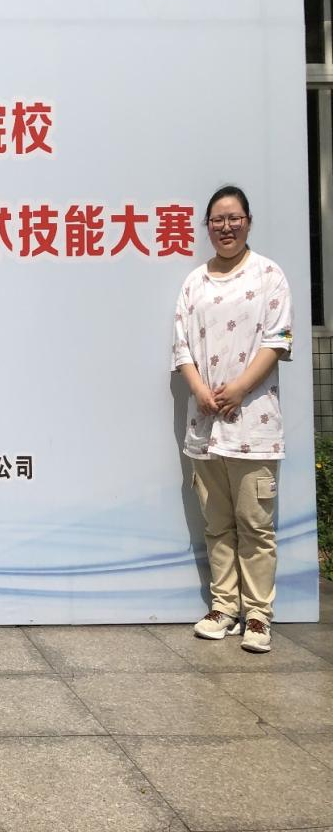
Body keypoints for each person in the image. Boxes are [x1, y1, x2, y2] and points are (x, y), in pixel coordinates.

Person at [172, 185, 293, 654]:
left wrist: (240, 388)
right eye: (217, 220)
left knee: (255, 525)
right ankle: (224, 607)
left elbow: (277, 340)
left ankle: (258, 615)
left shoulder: (269, 275)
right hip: (205, 425)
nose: (226, 227)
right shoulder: (194, 282)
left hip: (254, 424)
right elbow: (181, 346)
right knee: (217, 523)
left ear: (248, 221)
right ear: (208, 227)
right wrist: (200, 390)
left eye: (234, 218)